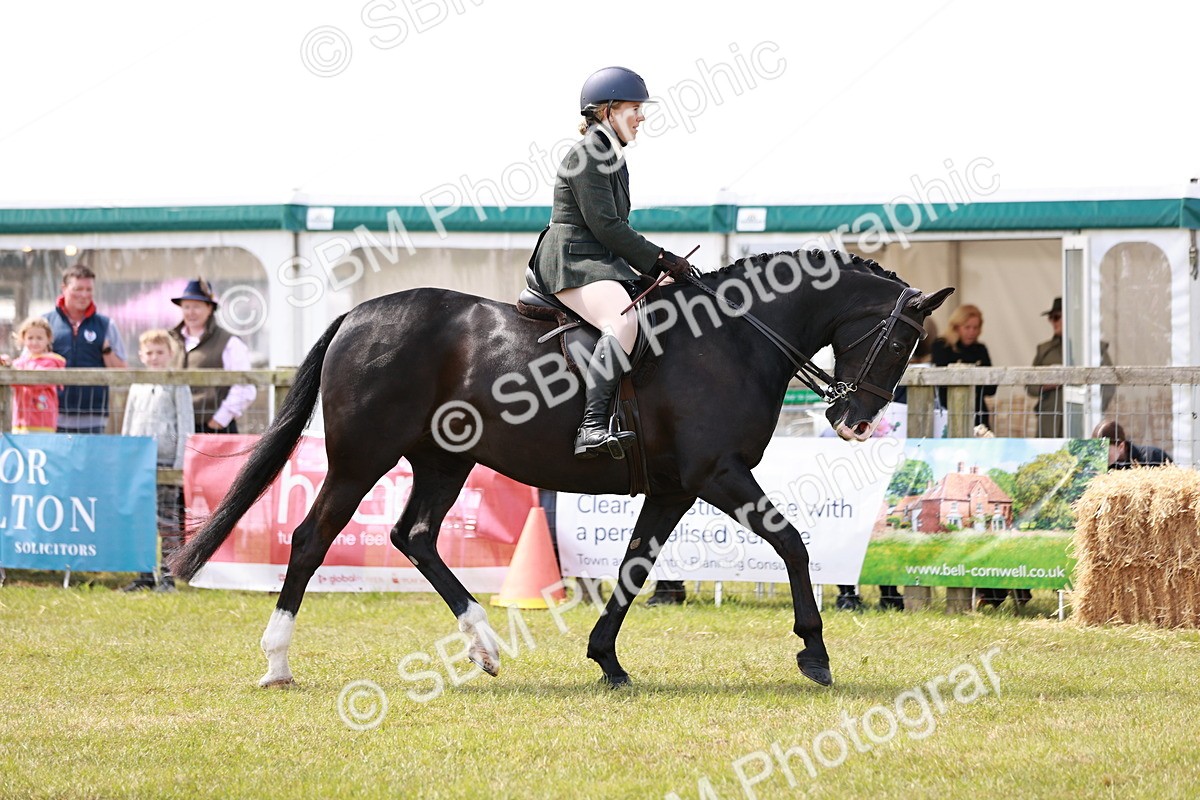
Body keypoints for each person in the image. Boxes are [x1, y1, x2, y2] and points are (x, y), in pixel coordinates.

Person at [529, 66, 693, 462]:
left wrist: (660, 271)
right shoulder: (588, 155)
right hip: (573, 261)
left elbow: (614, 230)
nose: (642, 117)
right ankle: (592, 426)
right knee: (621, 320)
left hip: (600, 260)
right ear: (606, 111)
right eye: (634, 108)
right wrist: (658, 259)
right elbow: (606, 226)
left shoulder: (613, 157)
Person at [120, 330, 195, 592]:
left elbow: (185, 423)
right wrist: (126, 454)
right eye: (149, 353)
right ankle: (143, 575)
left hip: (166, 460)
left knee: (167, 520)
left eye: (159, 352)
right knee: (140, 520)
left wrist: (179, 461)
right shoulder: (137, 384)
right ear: (141, 356)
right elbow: (129, 421)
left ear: (170, 354)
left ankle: (167, 576)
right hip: (139, 460)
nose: (154, 358)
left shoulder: (177, 383)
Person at [44, 264, 128, 433]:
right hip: (50, 414)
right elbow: (28, 363)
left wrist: (106, 351)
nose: (84, 295)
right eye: (78, 289)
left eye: (89, 289)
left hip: (93, 415)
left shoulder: (106, 325)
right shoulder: (45, 323)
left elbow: (121, 371)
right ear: (64, 288)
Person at [170, 278, 257, 433]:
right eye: (186, 307)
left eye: (196, 307)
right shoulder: (171, 341)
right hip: (177, 426)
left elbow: (245, 387)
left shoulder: (229, 342)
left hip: (214, 428)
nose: (190, 312)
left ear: (209, 308)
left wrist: (220, 419)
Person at [931, 303, 996, 432]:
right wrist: (977, 380)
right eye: (967, 327)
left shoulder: (980, 349)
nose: (972, 332)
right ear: (956, 327)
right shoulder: (942, 346)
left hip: (978, 413)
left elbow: (991, 388)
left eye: (975, 327)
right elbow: (942, 383)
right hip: (947, 411)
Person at [5, 317, 67, 432]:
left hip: (43, 422)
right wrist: (6, 364)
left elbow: (38, 381)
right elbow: (13, 381)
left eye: (39, 338)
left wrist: (17, 372)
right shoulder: (21, 361)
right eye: (30, 338)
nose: (34, 342)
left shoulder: (51, 362)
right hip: (20, 422)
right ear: (23, 339)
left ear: (48, 339)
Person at [1092, 420, 1173, 469]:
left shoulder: (1153, 457)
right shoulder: (1100, 467)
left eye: (1105, 450)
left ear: (1121, 446)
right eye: (1097, 450)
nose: (1100, 455)